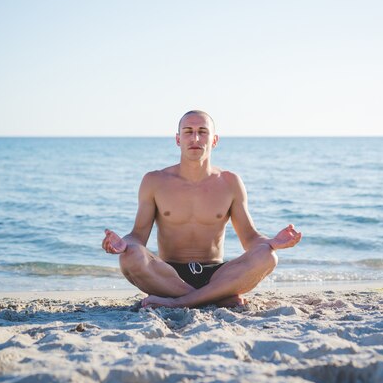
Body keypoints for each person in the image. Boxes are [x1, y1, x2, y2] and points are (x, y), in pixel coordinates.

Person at [102, 110, 302, 308]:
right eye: (188, 131)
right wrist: (123, 243)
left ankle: (181, 302)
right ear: (178, 139)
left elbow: (250, 238)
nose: (195, 138)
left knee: (267, 256)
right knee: (129, 257)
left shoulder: (230, 182)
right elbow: (138, 236)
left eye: (202, 132)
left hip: (217, 275)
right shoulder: (154, 181)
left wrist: (272, 242)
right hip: (168, 276)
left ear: (214, 140)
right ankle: (215, 298)